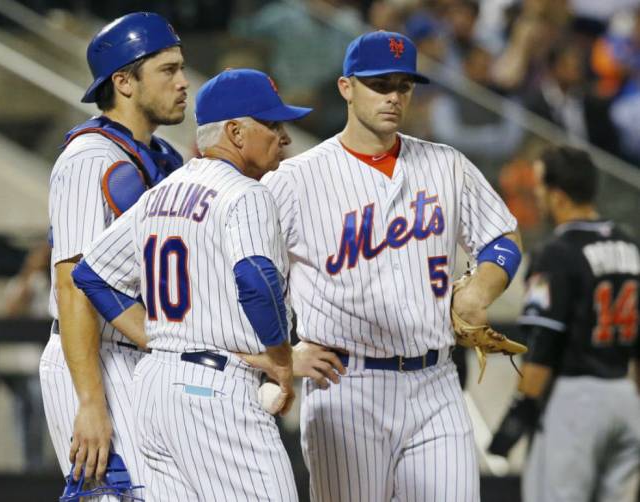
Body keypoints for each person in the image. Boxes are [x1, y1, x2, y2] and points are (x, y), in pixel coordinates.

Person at [261, 30, 524, 502]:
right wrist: (282, 354)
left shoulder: (446, 165)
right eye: (380, 84)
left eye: (403, 85)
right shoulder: (296, 180)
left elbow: (502, 236)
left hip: (436, 379)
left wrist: (480, 289)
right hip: (347, 385)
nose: (394, 97)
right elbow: (250, 273)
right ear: (346, 88)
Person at [72, 68, 316, 501]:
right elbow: (255, 277)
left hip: (153, 391)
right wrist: (281, 356)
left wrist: (159, 338)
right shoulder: (245, 193)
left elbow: (94, 274)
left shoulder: (163, 192)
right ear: (236, 132)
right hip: (215, 392)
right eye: (273, 125)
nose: (285, 136)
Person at [38, 11, 187, 495]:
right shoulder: (90, 160)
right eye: (168, 70)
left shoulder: (159, 157)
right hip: (93, 358)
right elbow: (72, 283)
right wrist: (89, 403)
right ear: (123, 82)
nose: (183, 83)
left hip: (137, 359)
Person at [489, 146, 640, 502]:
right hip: (625, 395)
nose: (537, 196)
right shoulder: (630, 246)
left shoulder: (557, 252)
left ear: (557, 195)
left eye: (540, 187)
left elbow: (543, 344)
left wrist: (519, 413)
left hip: (575, 400)